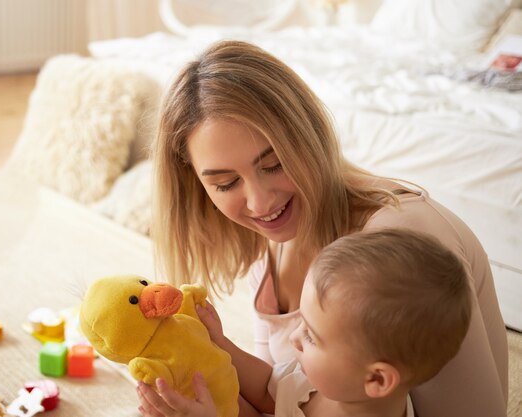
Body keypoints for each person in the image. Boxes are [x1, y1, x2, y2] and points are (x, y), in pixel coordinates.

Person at [147, 40, 508, 416]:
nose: (259, 203)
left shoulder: (403, 246)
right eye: (225, 183)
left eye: (274, 164)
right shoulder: (273, 246)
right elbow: (279, 399)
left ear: (308, 136)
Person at [137, 229, 474, 417]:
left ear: (376, 379)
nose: (294, 337)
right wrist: (220, 344)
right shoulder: (334, 386)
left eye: (312, 336)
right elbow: (269, 388)